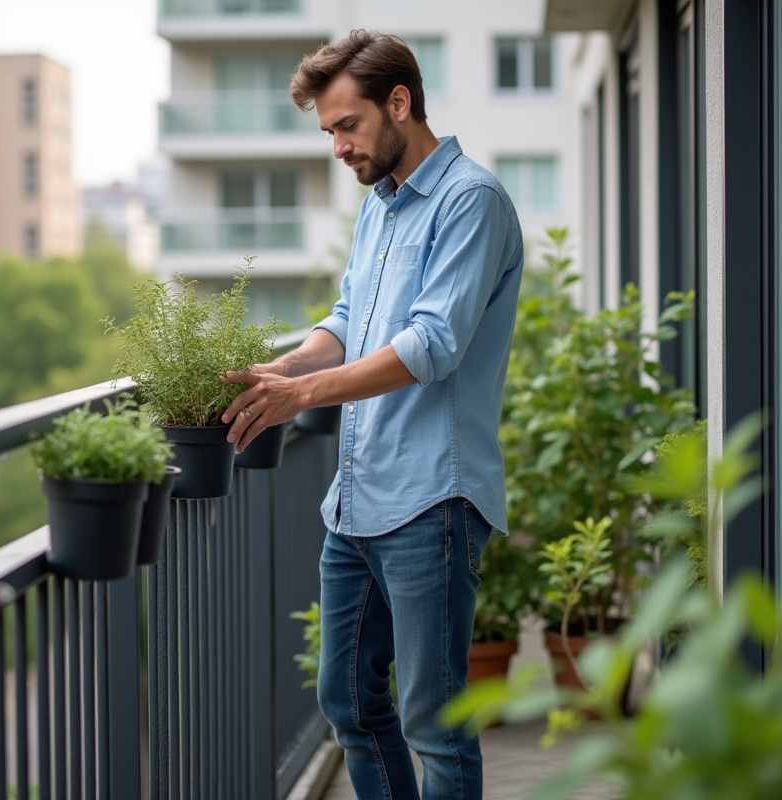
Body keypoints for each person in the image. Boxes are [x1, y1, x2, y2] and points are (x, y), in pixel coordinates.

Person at [220, 29, 523, 800]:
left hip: (433, 499)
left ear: (400, 102)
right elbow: (351, 316)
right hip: (357, 501)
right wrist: (282, 369)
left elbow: (431, 345)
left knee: (435, 723)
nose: (338, 148)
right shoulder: (380, 208)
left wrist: (300, 398)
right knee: (347, 702)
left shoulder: (470, 200)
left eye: (346, 126)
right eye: (328, 132)